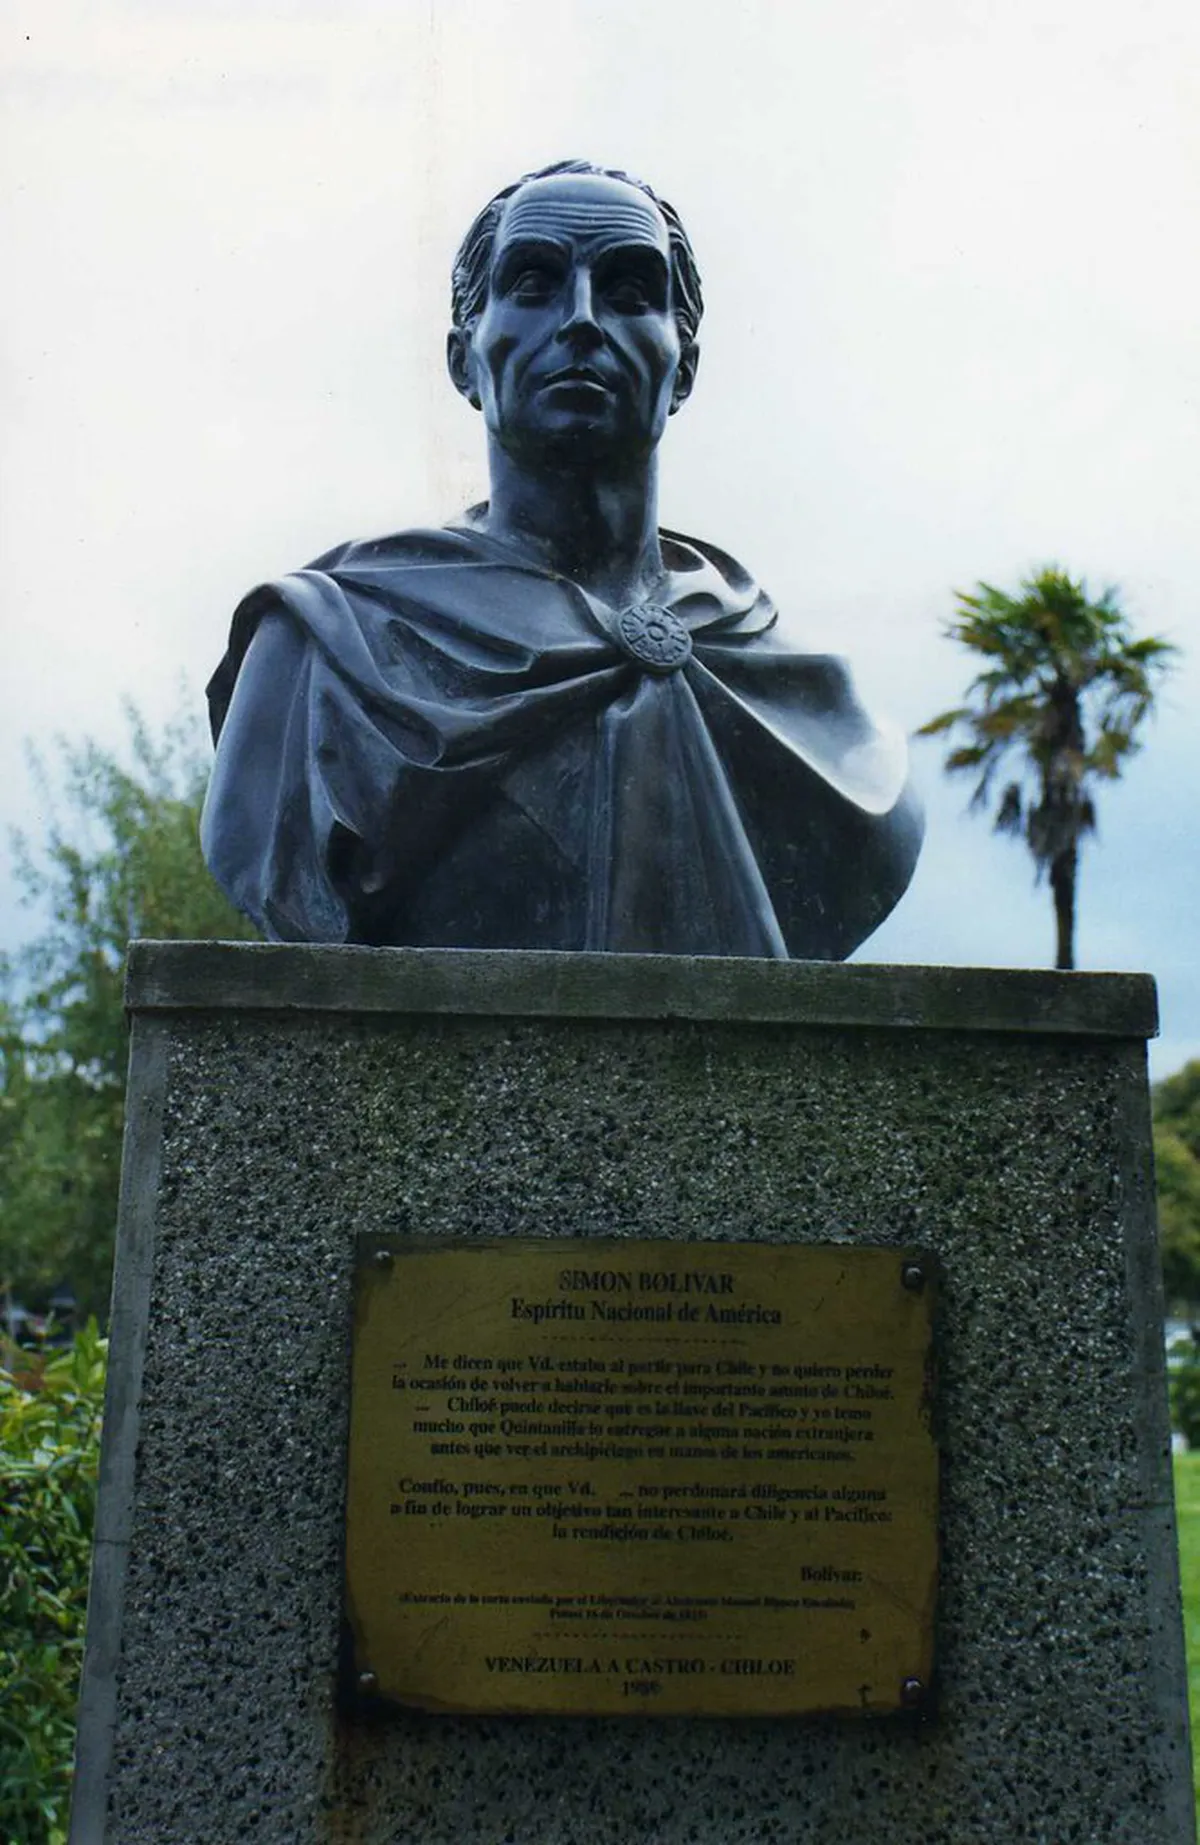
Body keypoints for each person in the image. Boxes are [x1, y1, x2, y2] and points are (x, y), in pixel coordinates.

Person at [202, 160, 922, 956]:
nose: (582, 320)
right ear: (462, 359)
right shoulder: (327, 652)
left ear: (683, 366)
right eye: (535, 283)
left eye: (629, 291)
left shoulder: (822, 720)